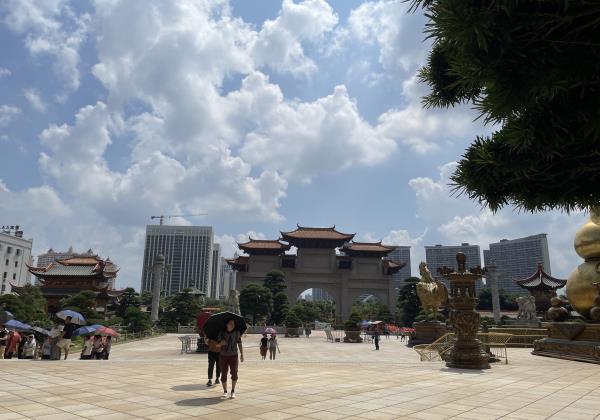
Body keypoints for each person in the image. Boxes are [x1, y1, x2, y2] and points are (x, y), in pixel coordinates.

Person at [217, 319, 244, 399]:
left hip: (233, 355)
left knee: (235, 373)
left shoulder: (237, 332)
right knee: (223, 374)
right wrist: (221, 343)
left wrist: (242, 354)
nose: (232, 325)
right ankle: (225, 391)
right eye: (230, 323)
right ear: (227, 324)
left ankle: (233, 390)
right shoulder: (221, 332)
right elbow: (217, 345)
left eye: (233, 324)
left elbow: (239, 343)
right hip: (223, 356)